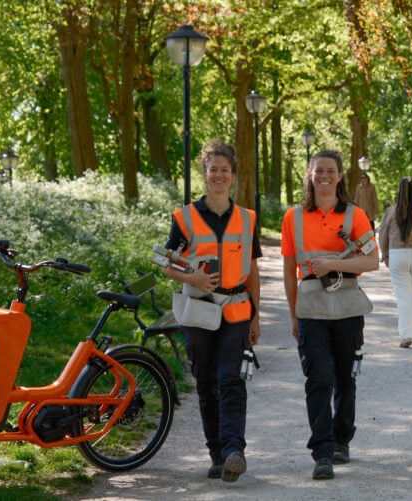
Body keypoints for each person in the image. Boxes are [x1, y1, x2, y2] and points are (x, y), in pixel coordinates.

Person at [160, 140, 262, 482]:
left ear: (233, 176)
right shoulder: (184, 217)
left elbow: (253, 268)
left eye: (224, 170)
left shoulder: (248, 219)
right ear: (205, 175)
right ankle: (217, 454)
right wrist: (192, 277)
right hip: (199, 311)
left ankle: (235, 449)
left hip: (236, 309)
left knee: (230, 379)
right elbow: (164, 262)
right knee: (206, 381)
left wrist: (256, 315)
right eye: (212, 170)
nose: (218, 175)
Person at [281, 149, 380, 480]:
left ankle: (342, 439)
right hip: (310, 306)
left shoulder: (355, 216)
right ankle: (322, 451)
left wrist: (333, 263)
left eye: (331, 171)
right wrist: (293, 314)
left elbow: (371, 261)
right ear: (310, 175)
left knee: (345, 377)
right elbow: (287, 268)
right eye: (318, 170)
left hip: (348, 305)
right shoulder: (292, 218)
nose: (324, 175)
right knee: (318, 378)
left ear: (340, 176)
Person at [378, 176, 412, 348]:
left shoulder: (391, 211)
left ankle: (408, 334)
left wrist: (385, 255)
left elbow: (383, 235)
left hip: (397, 254)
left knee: (404, 296)